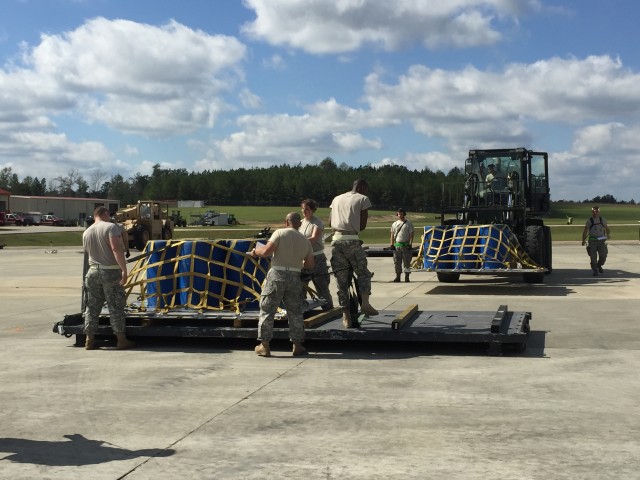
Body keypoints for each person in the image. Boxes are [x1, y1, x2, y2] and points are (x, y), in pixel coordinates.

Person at [251, 212, 315, 357]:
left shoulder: (279, 233)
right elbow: (310, 264)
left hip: (277, 274)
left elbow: (267, 251)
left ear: (286, 222)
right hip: (294, 276)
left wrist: (256, 251)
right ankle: (297, 345)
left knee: (268, 309)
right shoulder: (305, 240)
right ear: (299, 224)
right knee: (295, 311)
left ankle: (265, 345)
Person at [82, 206, 135, 350]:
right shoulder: (111, 228)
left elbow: (88, 252)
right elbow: (116, 248)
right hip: (110, 271)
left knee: (92, 307)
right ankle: (121, 339)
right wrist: (124, 270)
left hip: (92, 272)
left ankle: (89, 339)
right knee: (115, 306)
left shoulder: (86, 232)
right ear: (105, 213)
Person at [329, 179, 378, 328]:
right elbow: (362, 225)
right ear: (362, 187)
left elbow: (330, 220)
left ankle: (346, 317)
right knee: (363, 273)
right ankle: (366, 304)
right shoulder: (362, 198)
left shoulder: (336, 199)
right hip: (352, 240)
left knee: (341, 281)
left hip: (336, 241)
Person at [299, 199, 334, 309]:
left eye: (307, 209)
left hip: (317, 258)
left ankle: (328, 309)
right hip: (304, 258)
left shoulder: (317, 222)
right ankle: (301, 310)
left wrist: (296, 242)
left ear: (313, 210)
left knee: (322, 286)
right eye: (303, 209)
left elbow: (313, 238)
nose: (304, 211)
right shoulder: (300, 222)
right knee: (301, 287)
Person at [581, 205, 610, 276]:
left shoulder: (602, 220)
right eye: (593, 211)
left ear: (599, 212)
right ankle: (595, 270)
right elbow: (585, 231)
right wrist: (583, 240)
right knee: (593, 257)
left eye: (596, 212)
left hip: (601, 241)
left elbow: (607, 228)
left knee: (603, 255)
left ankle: (599, 265)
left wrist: (607, 235)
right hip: (592, 241)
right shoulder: (589, 221)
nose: (595, 213)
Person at [389, 208, 415, 283]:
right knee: (397, 262)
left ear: (404, 214)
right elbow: (392, 234)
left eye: (401, 213)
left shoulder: (409, 223)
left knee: (407, 262)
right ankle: (398, 276)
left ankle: (407, 276)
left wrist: (410, 244)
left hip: (406, 245)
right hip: (397, 245)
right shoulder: (394, 224)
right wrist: (392, 244)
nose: (400, 215)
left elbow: (411, 234)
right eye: (399, 214)